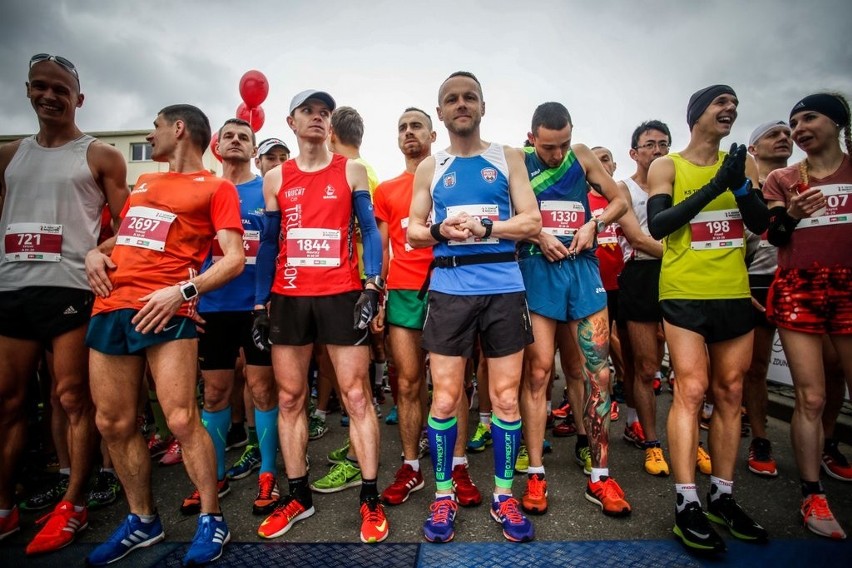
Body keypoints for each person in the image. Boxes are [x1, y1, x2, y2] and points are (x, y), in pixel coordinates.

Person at [84, 104, 245, 566]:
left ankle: (212, 519)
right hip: (111, 305)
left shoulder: (216, 187)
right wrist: (97, 252)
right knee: (112, 423)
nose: (151, 137)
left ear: (178, 129)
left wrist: (182, 292)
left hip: (165, 311)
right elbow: (128, 238)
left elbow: (232, 258)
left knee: (180, 419)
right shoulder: (146, 183)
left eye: (154, 128)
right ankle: (142, 520)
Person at [0, 53, 128, 554]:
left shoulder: (101, 157)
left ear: (79, 98)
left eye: (60, 89)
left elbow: (129, 228)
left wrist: (99, 252)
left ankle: (74, 502)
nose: (49, 96)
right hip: (12, 287)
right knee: (9, 403)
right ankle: (5, 507)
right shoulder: (9, 156)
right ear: (28, 91)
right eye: (40, 87)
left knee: (73, 397)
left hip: (73, 288)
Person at [407, 71, 541, 543]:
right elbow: (412, 231)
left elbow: (532, 220)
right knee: (445, 397)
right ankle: (443, 494)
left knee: (504, 398)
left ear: (482, 107)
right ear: (440, 112)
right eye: (451, 99)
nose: (460, 104)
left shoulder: (508, 158)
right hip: (449, 288)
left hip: (504, 287)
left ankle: (504, 495)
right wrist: (442, 230)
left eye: (469, 97)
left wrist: (487, 229)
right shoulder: (431, 165)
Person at [253, 89, 388, 544]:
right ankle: (298, 495)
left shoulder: (349, 170)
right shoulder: (275, 178)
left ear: (331, 124)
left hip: (341, 295)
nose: (317, 117)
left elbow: (369, 229)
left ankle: (370, 498)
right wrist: (258, 303)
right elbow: (269, 245)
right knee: (290, 398)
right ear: (291, 122)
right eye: (308, 111)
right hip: (288, 298)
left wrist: (373, 283)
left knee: (356, 394)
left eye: (324, 112)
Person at [647, 84, 770, 554]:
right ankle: (686, 502)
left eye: (734, 105)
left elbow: (759, 223)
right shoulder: (667, 165)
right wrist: (717, 186)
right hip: (684, 294)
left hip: (732, 292)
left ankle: (722, 494)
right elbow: (660, 224)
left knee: (731, 393)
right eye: (721, 103)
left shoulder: (746, 164)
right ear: (696, 115)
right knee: (691, 389)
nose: (730, 109)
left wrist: (740, 185)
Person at [517, 103, 629, 519]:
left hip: (583, 267)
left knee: (599, 371)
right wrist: (538, 232)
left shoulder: (581, 156)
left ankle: (600, 475)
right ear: (532, 138)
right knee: (540, 371)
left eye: (563, 143)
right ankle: (535, 471)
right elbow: (508, 212)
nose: (557, 153)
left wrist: (594, 223)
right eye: (549, 146)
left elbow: (619, 200)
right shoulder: (519, 160)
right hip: (537, 266)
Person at [373, 108, 481, 508]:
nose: (408, 133)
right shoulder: (386, 190)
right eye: (401, 127)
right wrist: (378, 293)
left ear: (434, 135)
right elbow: (382, 247)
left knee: (454, 386)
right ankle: (412, 466)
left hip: (453, 288)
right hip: (404, 290)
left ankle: (457, 465)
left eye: (416, 125)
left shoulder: (455, 177)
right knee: (407, 383)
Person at [178, 120, 279, 519]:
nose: (235, 141)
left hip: (257, 308)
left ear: (254, 149)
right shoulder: (202, 188)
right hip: (212, 307)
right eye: (229, 136)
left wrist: (271, 300)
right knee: (216, 392)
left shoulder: (265, 190)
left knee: (262, 389)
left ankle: (268, 473)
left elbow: (276, 246)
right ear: (215, 146)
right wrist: (191, 299)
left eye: (244, 137)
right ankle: (213, 475)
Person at [763, 92, 852, 540]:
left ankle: (832, 452)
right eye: (794, 120)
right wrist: (792, 215)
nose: (798, 128)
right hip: (800, 286)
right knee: (811, 396)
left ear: (837, 123)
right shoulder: (781, 178)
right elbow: (774, 234)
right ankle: (812, 493)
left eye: (809, 118)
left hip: (849, 286)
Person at [224, 136, 290, 483]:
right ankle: (251, 443)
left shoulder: (282, 194)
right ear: (258, 159)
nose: (277, 162)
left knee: (264, 383)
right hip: (220, 303)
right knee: (234, 382)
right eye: (271, 157)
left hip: (268, 302)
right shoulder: (218, 188)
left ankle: (269, 460)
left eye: (283, 156)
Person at [614, 121, 671, 477]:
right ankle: (651, 443)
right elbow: (635, 237)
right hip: (640, 274)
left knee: (683, 369)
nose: (658, 151)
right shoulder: (624, 188)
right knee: (645, 366)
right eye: (649, 145)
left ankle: (690, 441)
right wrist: (682, 255)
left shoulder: (677, 186)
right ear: (634, 153)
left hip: (677, 277)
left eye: (664, 144)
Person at [742, 120, 793, 477]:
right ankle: (760, 439)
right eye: (773, 134)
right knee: (756, 367)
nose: (784, 138)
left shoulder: (802, 183)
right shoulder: (743, 189)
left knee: (830, 370)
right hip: (754, 283)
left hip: (797, 280)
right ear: (753, 149)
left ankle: (828, 443)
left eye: (786, 134)